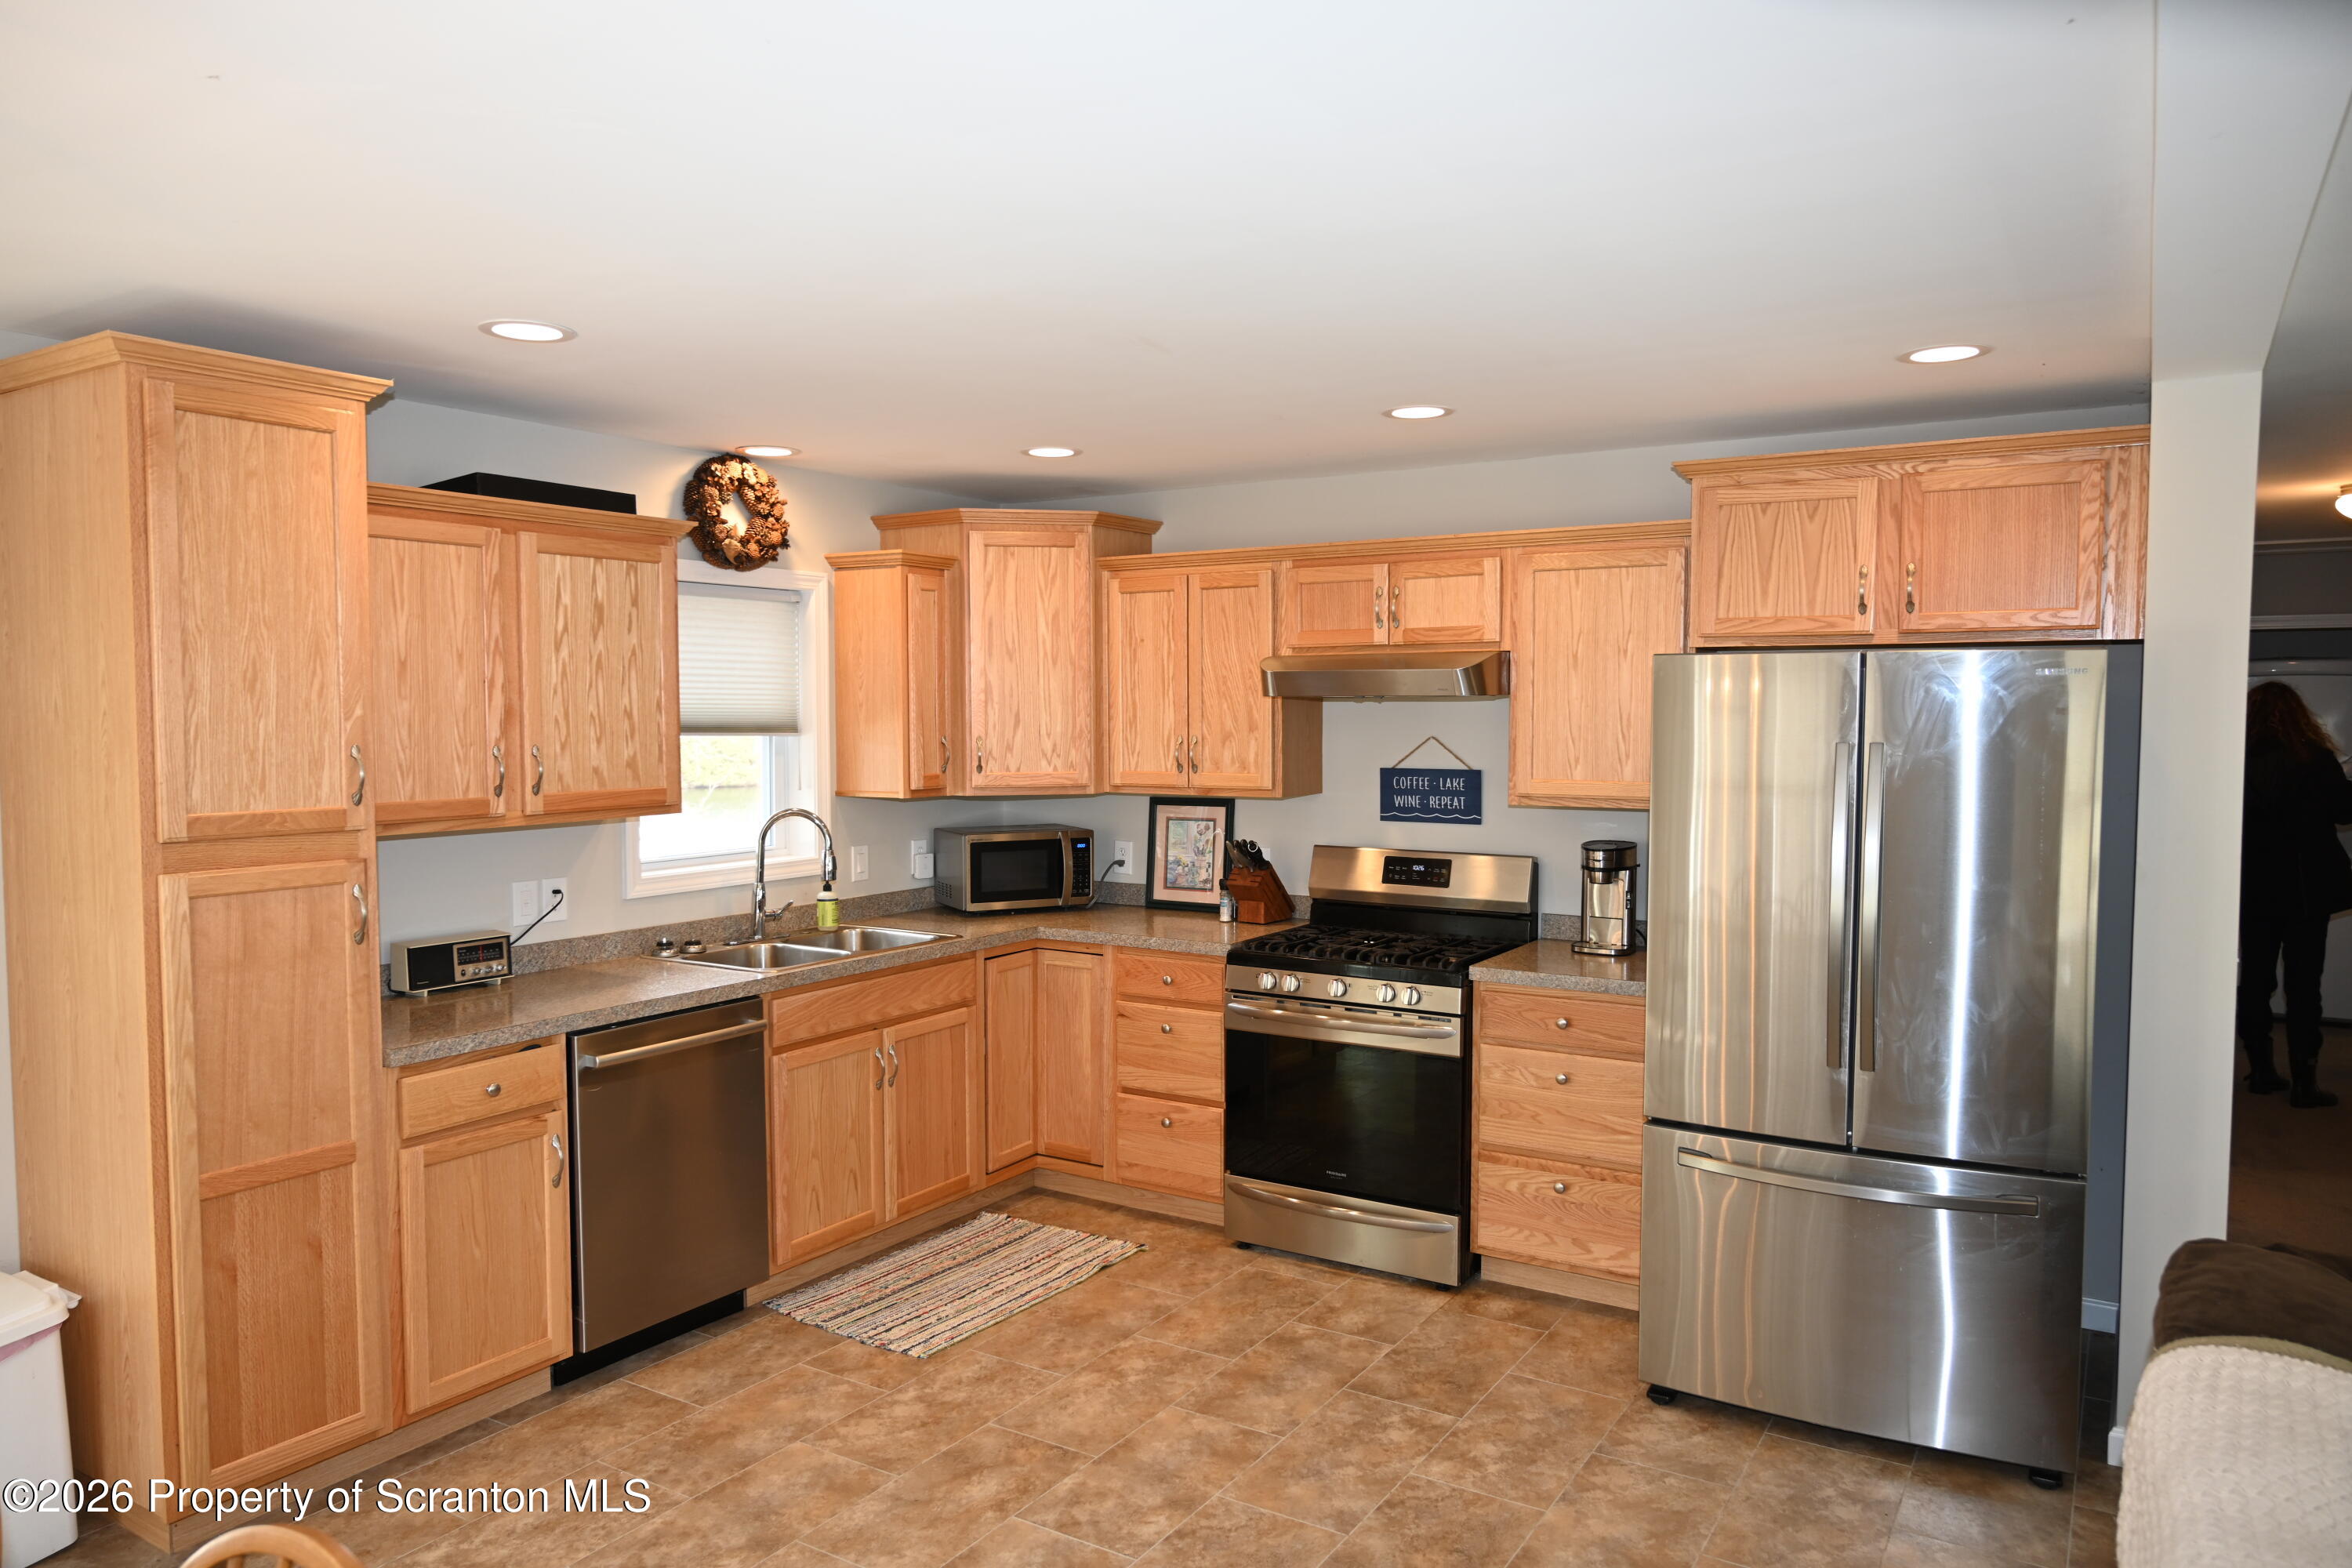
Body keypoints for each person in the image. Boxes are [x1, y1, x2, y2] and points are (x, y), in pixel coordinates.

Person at [2238, 681, 2352, 1109]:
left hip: (2253, 888)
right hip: (2307, 890)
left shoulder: (2234, 758)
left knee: (2255, 980)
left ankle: (2261, 1071)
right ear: (2298, 714)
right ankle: (2305, 1083)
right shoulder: (2315, 758)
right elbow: (2345, 811)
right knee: (2305, 985)